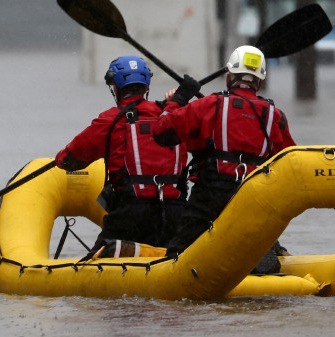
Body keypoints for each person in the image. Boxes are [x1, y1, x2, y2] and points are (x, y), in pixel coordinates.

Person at [152, 45, 297, 273]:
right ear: (259, 82)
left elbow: (161, 132)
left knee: (178, 254)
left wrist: (178, 99)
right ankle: (265, 257)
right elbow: (291, 164)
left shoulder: (210, 104)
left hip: (211, 195)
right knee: (257, 241)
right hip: (255, 196)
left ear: (229, 77)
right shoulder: (275, 116)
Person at [54, 55, 187, 256]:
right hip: (175, 213)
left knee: (93, 262)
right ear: (146, 87)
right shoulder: (173, 116)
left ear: (115, 88)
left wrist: (60, 159)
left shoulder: (110, 120)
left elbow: (69, 160)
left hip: (130, 215)